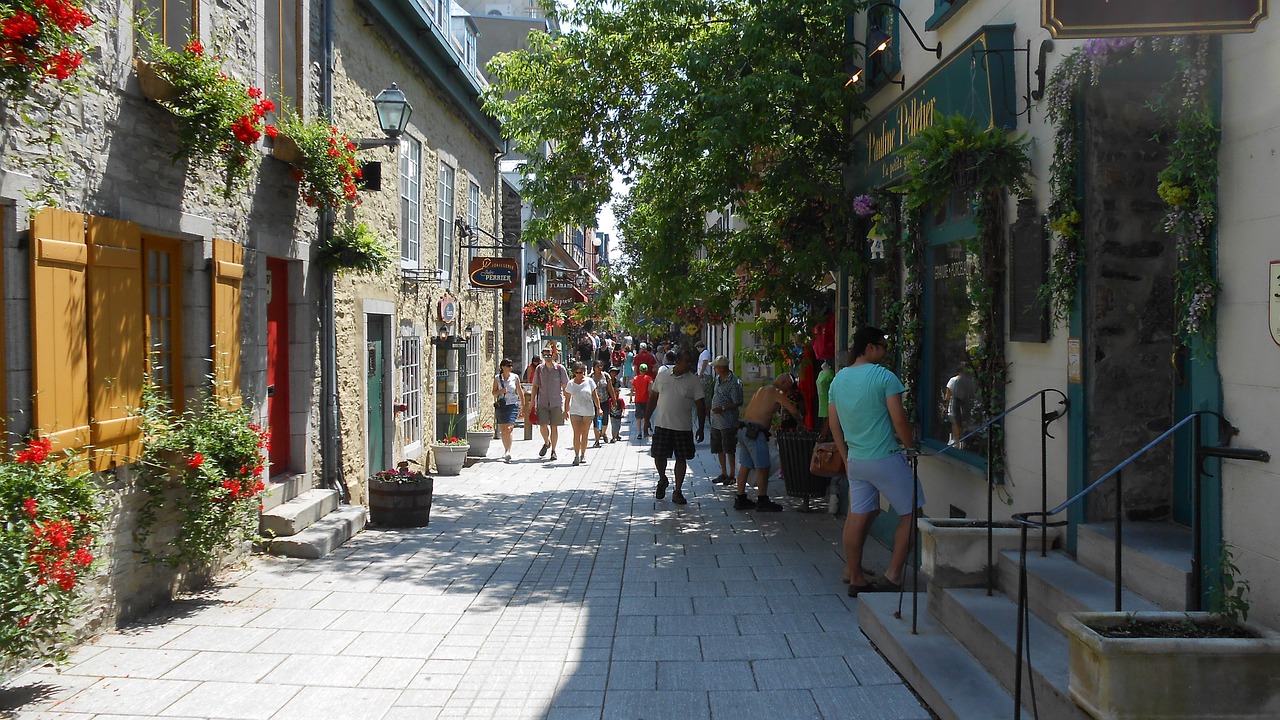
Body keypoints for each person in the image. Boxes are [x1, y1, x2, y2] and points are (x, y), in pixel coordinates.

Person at [829, 326, 923, 597]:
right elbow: (899, 419)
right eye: (883, 346)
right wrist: (911, 448)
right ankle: (893, 576)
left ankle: (854, 575)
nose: (885, 352)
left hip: (857, 460)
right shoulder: (884, 377)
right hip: (885, 457)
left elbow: (834, 425)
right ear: (870, 347)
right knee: (912, 513)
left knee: (857, 517)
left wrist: (846, 458)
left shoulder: (838, 380)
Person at [733, 373, 803, 512]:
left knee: (745, 466)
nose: (786, 392)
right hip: (755, 433)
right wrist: (801, 423)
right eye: (787, 388)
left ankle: (740, 498)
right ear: (783, 382)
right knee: (763, 468)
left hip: (744, 429)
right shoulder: (777, 392)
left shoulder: (762, 389)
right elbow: (794, 411)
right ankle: (762, 499)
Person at [647, 349, 707, 505]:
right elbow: (653, 397)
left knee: (681, 458)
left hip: (683, 427)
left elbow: (700, 405)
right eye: (686, 361)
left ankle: (678, 491)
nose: (689, 364)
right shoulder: (663, 375)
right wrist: (646, 419)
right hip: (662, 424)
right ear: (678, 361)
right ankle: (662, 479)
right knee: (659, 456)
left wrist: (701, 427)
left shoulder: (693, 381)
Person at [530, 345, 569, 462]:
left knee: (554, 427)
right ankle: (547, 442)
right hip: (542, 401)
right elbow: (535, 386)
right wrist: (532, 401)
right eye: (545, 354)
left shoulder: (560, 369)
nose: (547, 357)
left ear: (553, 355)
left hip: (556, 402)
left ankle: (553, 451)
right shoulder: (539, 369)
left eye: (549, 354)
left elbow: (565, 387)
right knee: (542, 425)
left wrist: (566, 406)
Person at [708, 356, 743, 485]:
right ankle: (723, 472)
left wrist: (722, 408)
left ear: (722, 368)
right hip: (716, 420)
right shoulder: (718, 379)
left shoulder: (734, 382)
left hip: (728, 421)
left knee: (729, 448)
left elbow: (738, 402)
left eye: (716, 367)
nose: (714, 369)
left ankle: (732, 474)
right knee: (719, 448)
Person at [564, 362, 600, 466]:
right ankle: (576, 455)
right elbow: (567, 399)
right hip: (575, 411)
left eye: (582, 372)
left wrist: (599, 408)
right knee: (576, 433)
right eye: (577, 372)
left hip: (588, 411)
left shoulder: (590, 381)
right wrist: (565, 411)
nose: (580, 374)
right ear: (574, 372)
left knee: (585, 433)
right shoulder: (571, 383)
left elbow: (595, 396)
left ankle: (583, 454)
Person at [492, 358, 527, 463]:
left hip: (512, 404)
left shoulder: (515, 377)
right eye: (508, 366)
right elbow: (493, 393)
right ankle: (505, 449)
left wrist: (523, 405)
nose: (510, 367)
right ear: (503, 367)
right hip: (501, 405)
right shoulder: (497, 378)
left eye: (511, 366)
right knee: (503, 429)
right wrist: (501, 391)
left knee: (509, 428)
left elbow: (520, 391)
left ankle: (508, 451)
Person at [590, 360, 614, 447]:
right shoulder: (590, 377)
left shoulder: (606, 376)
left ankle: (603, 433)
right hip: (594, 402)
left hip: (604, 401)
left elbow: (610, 388)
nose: (600, 368)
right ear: (594, 367)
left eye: (601, 366)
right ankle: (597, 440)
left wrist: (614, 400)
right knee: (596, 421)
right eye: (598, 366)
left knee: (605, 420)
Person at [631, 363, 654, 439]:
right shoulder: (648, 378)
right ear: (646, 370)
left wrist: (630, 398)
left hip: (638, 399)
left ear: (639, 370)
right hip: (646, 399)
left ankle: (639, 432)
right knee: (646, 416)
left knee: (638, 417)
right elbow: (651, 386)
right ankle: (646, 430)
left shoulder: (635, 378)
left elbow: (632, 389)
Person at [816, 359, 836, 438]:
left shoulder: (830, 373)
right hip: (821, 400)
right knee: (824, 420)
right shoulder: (820, 373)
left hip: (828, 399)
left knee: (828, 419)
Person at [607, 365, 625, 442]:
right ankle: (613, 435)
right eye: (612, 372)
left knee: (617, 421)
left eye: (615, 372)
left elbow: (619, 389)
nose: (613, 374)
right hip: (608, 400)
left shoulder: (618, 382)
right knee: (612, 420)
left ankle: (616, 435)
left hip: (616, 401)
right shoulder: (607, 381)